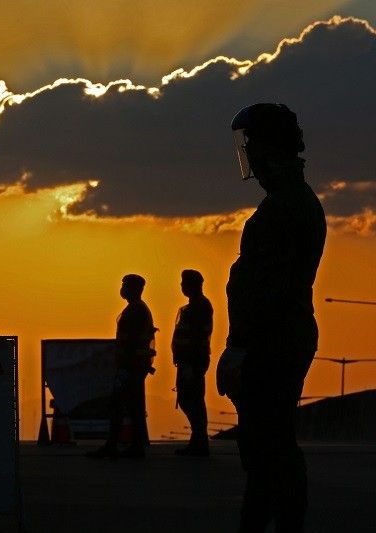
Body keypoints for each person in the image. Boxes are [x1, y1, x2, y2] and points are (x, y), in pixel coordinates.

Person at [217, 103, 326, 533]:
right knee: (265, 447)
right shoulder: (293, 202)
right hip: (278, 337)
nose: (250, 156)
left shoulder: (285, 208)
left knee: (271, 445)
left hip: (272, 341)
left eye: (253, 145)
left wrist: (240, 346)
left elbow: (265, 289)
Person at [86, 274, 156, 459]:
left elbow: (131, 341)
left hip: (131, 366)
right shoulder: (135, 309)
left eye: (126, 285)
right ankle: (129, 445)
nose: (123, 288)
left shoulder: (137, 310)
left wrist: (124, 364)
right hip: (132, 365)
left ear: (134, 288)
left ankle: (120, 446)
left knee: (122, 406)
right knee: (130, 406)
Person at [172, 269, 213, 456]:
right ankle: (198, 440)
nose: (182, 286)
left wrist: (189, 363)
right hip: (188, 361)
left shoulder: (200, 307)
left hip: (192, 361)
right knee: (189, 399)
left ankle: (200, 442)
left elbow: (197, 338)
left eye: (184, 282)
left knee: (192, 400)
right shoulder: (194, 306)